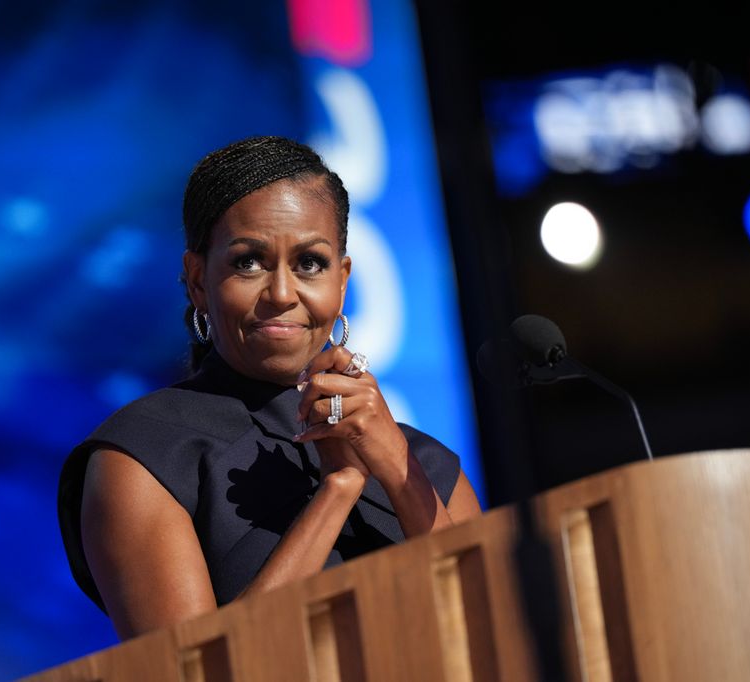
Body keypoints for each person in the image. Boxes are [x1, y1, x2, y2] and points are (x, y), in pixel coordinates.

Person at [58, 136, 482, 640]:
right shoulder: (145, 456)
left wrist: (393, 464)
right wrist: (337, 491)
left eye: (310, 264)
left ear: (342, 280)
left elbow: (492, 631)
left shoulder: (428, 463)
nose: (282, 294)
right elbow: (194, 674)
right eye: (248, 262)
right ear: (197, 280)